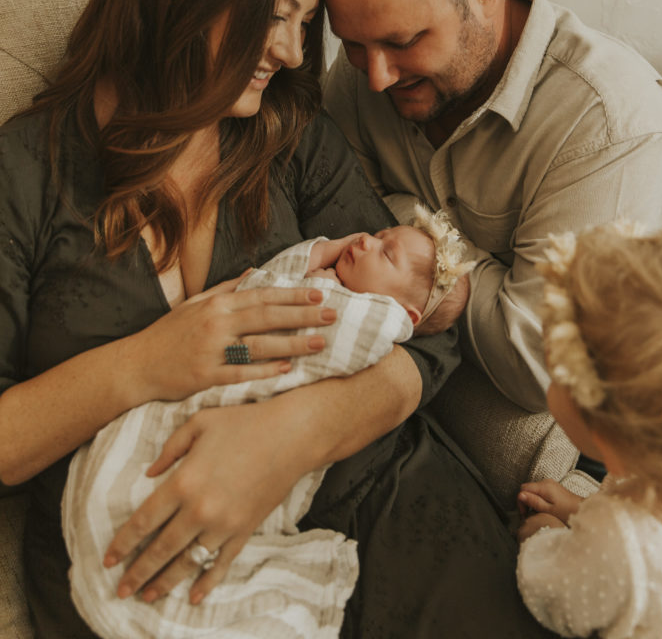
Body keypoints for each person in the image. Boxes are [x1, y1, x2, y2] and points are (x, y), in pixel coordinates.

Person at [0, 0, 552, 639]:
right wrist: (143, 364)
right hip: (147, 570)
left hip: (372, 501)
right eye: (276, 15)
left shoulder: (290, 136)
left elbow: (427, 326)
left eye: (303, 24)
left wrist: (292, 436)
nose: (294, 53)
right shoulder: (25, 172)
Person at [322, 0, 662, 415]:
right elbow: (319, 212)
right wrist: (476, 280)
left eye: (405, 41)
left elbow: (546, 367)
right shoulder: (366, 70)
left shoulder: (609, 121)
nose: (376, 77)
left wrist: (429, 254)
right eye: (351, 45)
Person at [63, 211, 473, 639]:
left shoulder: (369, 319)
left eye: (387, 253)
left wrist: (308, 295)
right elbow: (253, 304)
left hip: (287, 430)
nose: (366, 241)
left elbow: (308, 344)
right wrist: (317, 256)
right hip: (226, 381)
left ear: (405, 315)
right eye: (378, 234)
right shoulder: (321, 280)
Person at [516, 222, 662, 637]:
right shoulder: (661, 464)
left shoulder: (620, 540)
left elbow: (550, 594)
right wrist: (579, 509)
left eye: (557, 377)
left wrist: (545, 535)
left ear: (609, 441)